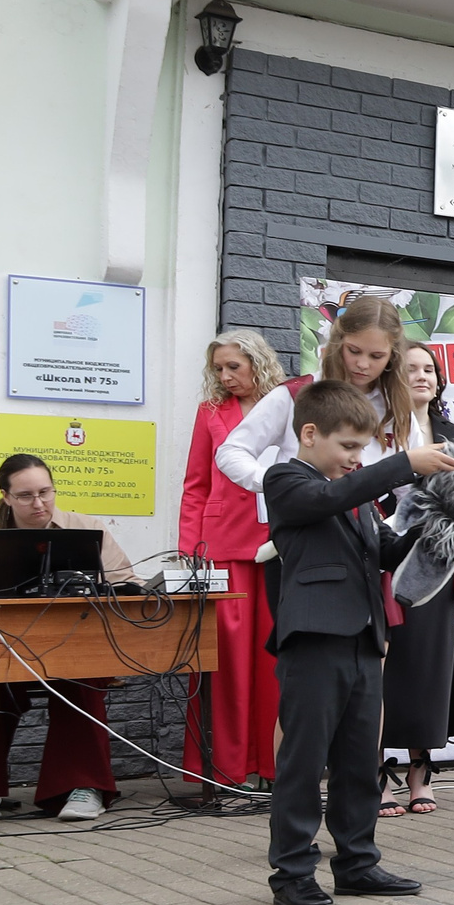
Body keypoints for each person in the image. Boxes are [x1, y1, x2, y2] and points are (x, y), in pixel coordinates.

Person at [260, 381, 454, 905]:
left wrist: (437, 521)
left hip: (365, 642)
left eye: (362, 451)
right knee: (303, 763)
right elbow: (328, 498)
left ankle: (356, 863)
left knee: (357, 763)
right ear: (309, 434)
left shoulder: (357, 499)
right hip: (315, 643)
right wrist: (404, 465)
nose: (356, 459)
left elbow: (387, 551)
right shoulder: (285, 479)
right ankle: (293, 873)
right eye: (348, 447)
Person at [0, 455, 138, 822]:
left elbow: (128, 587)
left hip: (79, 647)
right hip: (8, 652)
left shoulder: (88, 529)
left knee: (82, 677)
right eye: (25, 496)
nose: (38, 504)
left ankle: (84, 788)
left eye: (45, 492)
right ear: (5, 497)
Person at [177, 329, 285, 790]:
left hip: (282, 543)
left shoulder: (287, 404)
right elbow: (195, 484)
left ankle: (275, 765)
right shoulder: (210, 413)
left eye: (233, 367)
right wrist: (190, 551)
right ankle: (225, 768)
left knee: (275, 660)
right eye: (218, 368)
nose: (224, 376)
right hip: (222, 548)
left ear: (257, 363)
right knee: (227, 664)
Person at [379, 342, 454, 818]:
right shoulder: (375, 430)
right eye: (410, 368)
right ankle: (375, 775)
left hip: (439, 570)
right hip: (380, 565)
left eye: (429, 369)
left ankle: (421, 772)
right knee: (379, 671)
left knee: (427, 669)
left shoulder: (452, 433)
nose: (422, 376)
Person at [217, 293, 415, 503]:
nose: (363, 364)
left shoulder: (397, 407)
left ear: (392, 355)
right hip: (307, 522)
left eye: (376, 356)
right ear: (339, 342)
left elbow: (409, 489)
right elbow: (232, 451)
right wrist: (277, 482)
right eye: (354, 351)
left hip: (373, 529)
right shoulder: (295, 395)